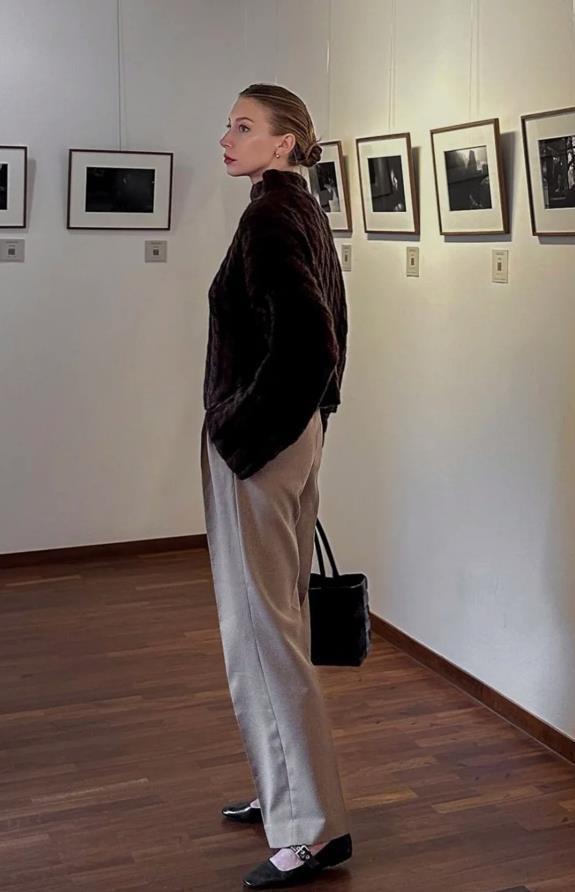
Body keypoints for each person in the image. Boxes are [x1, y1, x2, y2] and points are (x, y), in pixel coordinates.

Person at [200, 83, 351, 889]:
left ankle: (310, 830)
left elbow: (312, 342)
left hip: (262, 447)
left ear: (285, 141)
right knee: (277, 621)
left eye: (244, 126)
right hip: (294, 439)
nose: (227, 138)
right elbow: (333, 331)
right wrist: (312, 419)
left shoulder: (271, 216)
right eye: (229, 125)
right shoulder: (300, 208)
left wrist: (239, 430)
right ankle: (286, 792)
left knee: (261, 635)